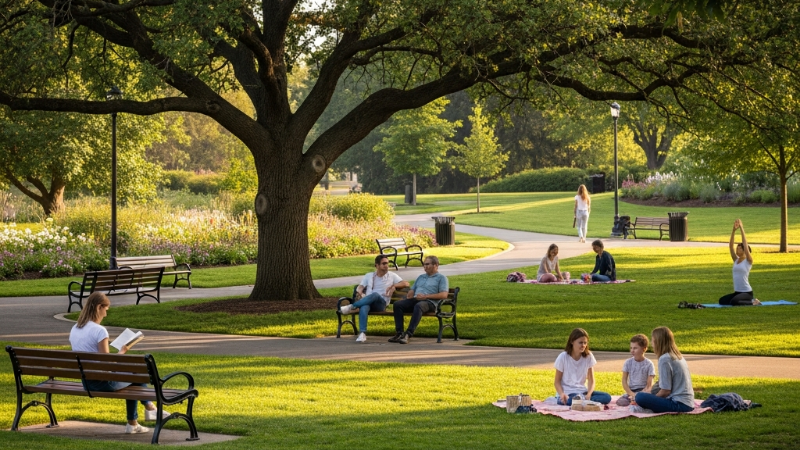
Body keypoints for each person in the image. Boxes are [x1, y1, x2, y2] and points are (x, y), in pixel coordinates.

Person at [69, 292, 169, 434]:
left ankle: (142, 414)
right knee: (136, 375)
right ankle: (146, 411)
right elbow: (107, 364)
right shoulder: (100, 331)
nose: (105, 314)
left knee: (134, 374)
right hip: (102, 383)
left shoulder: (75, 328)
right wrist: (123, 350)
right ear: (99, 307)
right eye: (106, 310)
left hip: (86, 382)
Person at [339, 255, 410, 342]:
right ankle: (362, 334)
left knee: (375, 295)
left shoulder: (392, 275)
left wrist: (394, 285)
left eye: (387, 263)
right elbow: (361, 286)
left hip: (381, 304)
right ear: (377, 265)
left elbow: (406, 283)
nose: (386, 266)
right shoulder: (369, 276)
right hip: (368, 302)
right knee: (364, 306)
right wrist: (359, 291)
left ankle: (352, 307)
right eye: (384, 264)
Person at [634, 327, 695, 413]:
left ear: (658, 342)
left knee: (640, 397)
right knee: (642, 395)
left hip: (678, 404)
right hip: (688, 403)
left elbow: (665, 391)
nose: (651, 344)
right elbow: (662, 383)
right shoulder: (677, 356)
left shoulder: (664, 359)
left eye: (653, 340)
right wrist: (650, 392)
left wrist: (652, 400)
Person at [390, 256, 449, 345]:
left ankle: (408, 334)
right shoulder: (421, 277)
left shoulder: (441, 278)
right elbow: (413, 289)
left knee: (419, 305)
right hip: (416, 299)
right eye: (424, 264)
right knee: (398, 304)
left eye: (427, 264)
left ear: (435, 265)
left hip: (430, 303)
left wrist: (426, 296)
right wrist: (410, 294)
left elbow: (444, 295)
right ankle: (399, 333)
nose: (424, 266)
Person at [553, 328, 612, 406]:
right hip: (568, 393)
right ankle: (578, 401)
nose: (583, 345)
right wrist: (561, 394)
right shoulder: (563, 357)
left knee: (606, 397)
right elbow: (557, 382)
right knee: (571, 400)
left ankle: (582, 401)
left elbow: (591, 379)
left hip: (582, 392)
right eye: (580, 342)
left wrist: (589, 394)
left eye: (585, 343)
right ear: (572, 342)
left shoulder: (588, 356)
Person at [719, 219, 761, 306]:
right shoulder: (736, 260)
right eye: (737, 248)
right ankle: (748, 301)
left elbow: (745, 244)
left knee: (735, 302)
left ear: (745, 250)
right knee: (722, 301)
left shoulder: (748, 261)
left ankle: (754, 302)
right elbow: (730, 247)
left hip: (747, 292)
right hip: (737, 292)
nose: (737, 249)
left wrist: (741, 228)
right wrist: (733, 230)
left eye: (740, 248)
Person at [616, 334, 655, 407]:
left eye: (635, 348)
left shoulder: (649, 364)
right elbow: (624, 380)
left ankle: (637, 402)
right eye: (631, 348)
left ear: (644, 349)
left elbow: (649, 385)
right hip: (631, 391)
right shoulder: (628, 362)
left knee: (644, 400)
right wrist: (631, 394)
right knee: (621, 402)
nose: (632, 351)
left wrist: (640, 394)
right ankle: (635, 402)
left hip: (644, 392)